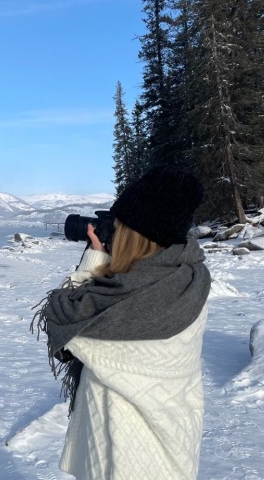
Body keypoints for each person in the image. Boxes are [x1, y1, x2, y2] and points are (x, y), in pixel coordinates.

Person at [33, 165, 211, 480]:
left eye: (117, 226)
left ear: (134, 235)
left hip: (126, 446)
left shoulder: (120, 301)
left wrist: (95, 259)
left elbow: (65, 317)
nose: (111, 231)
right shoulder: (190, 276)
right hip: (175, 433)